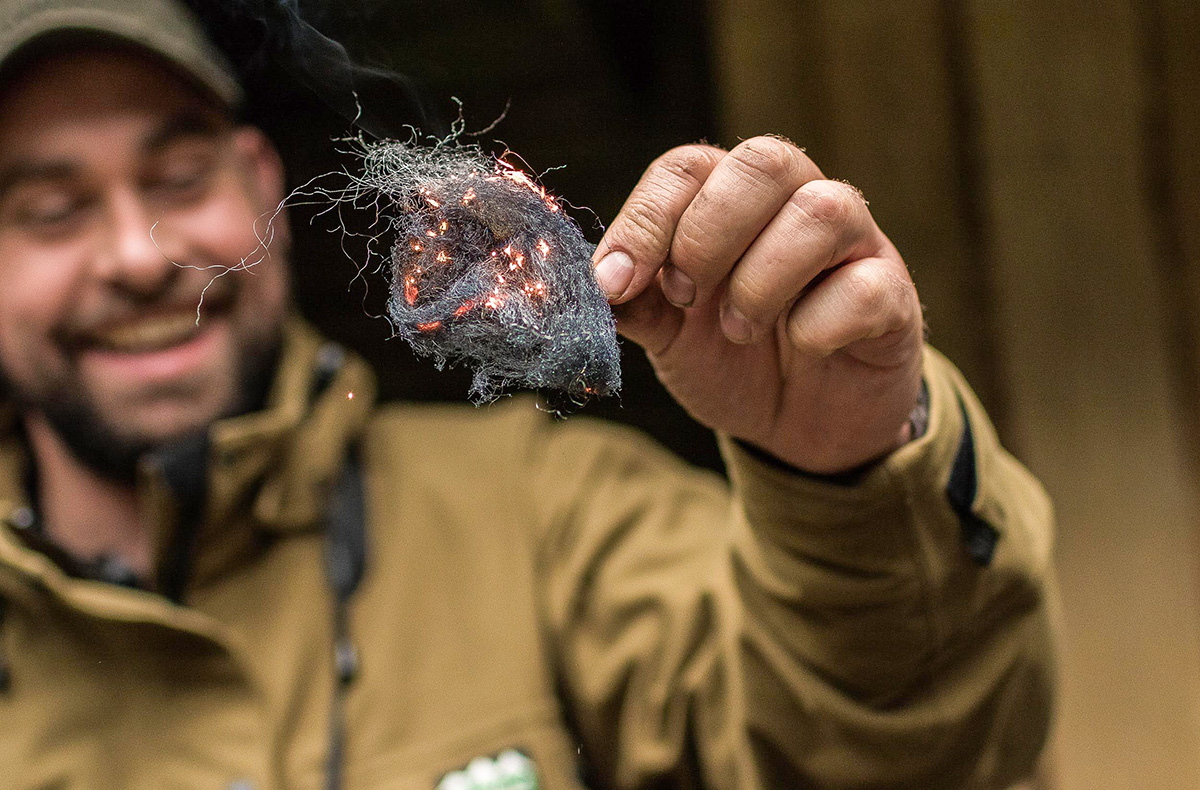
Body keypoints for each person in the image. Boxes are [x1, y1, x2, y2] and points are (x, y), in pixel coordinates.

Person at [0, 0, 1055, 788]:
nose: (137, 255)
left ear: (258, 179)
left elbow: (908, 750)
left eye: (178, 180)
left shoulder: (542, 509)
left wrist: (849, 479)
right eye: (51, 209)